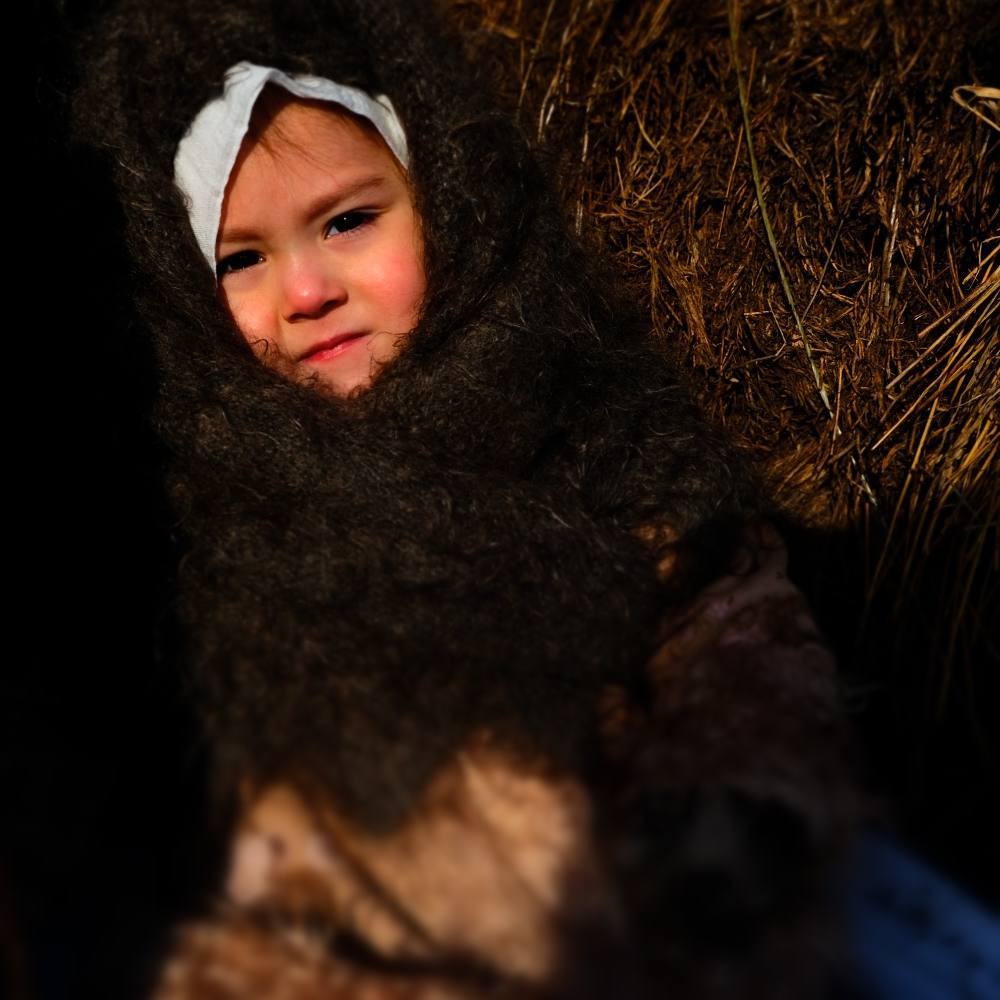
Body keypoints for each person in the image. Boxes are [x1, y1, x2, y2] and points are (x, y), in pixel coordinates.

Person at [71, 1, 864, 995]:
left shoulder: (590, 435)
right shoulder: (211, 552)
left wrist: (725, 816)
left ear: (441, 200)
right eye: (243, 258)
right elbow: (246, 893)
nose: (307, 288)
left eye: (349, 220)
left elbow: (734, 632)